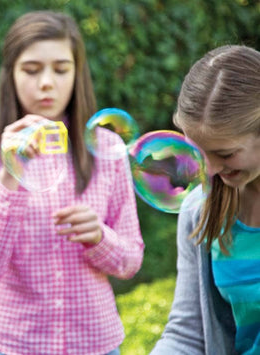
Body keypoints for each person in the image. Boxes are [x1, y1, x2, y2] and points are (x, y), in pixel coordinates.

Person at [0, 11, 144, 355]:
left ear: (78, 74)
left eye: (61, 69)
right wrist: (10, 173)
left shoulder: (107, 149)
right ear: (10, 75)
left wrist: (100, 237)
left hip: (94, 342)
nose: (47, 82)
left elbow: (131, 260)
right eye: (31, 70)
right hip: (10, 344)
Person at [150, 45, 260, 355]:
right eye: (197, 152)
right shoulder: (199, 210)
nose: (208, 169)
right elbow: (187, 334)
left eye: (225, 154)